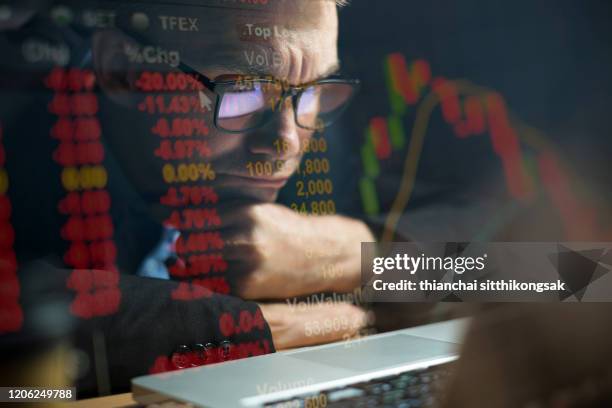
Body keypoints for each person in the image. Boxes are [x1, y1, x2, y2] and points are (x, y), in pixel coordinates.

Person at [0, 0, 374, 396]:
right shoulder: (15, 122)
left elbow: (446, 272)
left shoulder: (306, 114)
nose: (285, 144)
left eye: (315, 91)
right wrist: (243, 329)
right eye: (242, 92)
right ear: (122, 70)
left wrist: (359, 255)